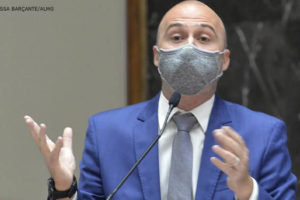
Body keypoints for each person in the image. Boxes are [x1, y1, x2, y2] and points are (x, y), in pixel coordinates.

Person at [24, 1, 297, 199]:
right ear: (157, 55)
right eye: (176, 37)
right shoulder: (107, 131)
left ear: (224, 60)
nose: (189, 48)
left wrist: (248, 192)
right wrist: (63, 188)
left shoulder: (264, 133)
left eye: (203, 38)